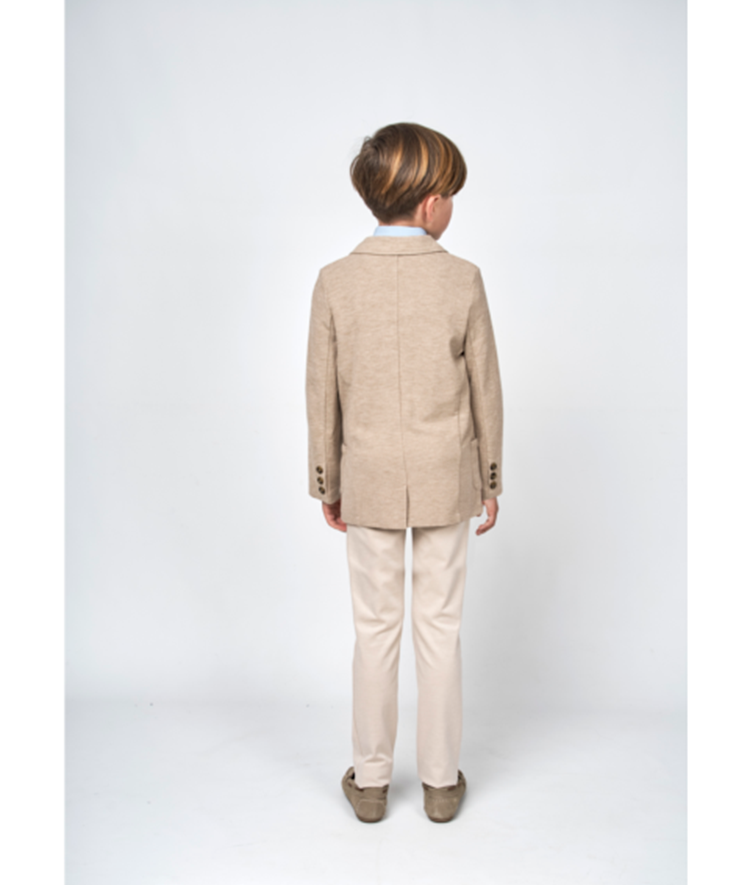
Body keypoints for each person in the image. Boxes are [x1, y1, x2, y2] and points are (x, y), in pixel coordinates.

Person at [305, 122, 503, 823]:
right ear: (429, 202)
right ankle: (442, 784)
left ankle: (370, 782)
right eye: (450, 194)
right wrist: (489, 478)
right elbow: (485, 386)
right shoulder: (462, 278)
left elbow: (321, 390)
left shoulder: (335, 281)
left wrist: (327, 480)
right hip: (447, 474)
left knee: (375, 628)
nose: (452, 206)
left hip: (369, 477)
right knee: (440, 627)